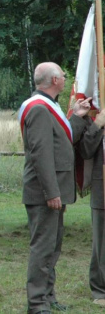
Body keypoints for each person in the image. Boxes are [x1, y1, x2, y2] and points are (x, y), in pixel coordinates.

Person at [19, 62, 91, 314]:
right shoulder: (38, 108)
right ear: (54, 81)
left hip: (52, 191)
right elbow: (41, 154)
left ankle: (47, 297)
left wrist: (77, 116)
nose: (64, 78)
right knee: (43, 248)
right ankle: (37, 303)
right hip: (44, 192)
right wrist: (52, 192)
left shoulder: (50, 106)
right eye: (62, 75)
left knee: (53, 247)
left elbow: (63, 139)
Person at [78, 108, 105, 307]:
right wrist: (98, 124)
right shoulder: (98, 120)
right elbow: (85, 150)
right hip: (102, 188)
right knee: (101, 244)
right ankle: (100, 290)